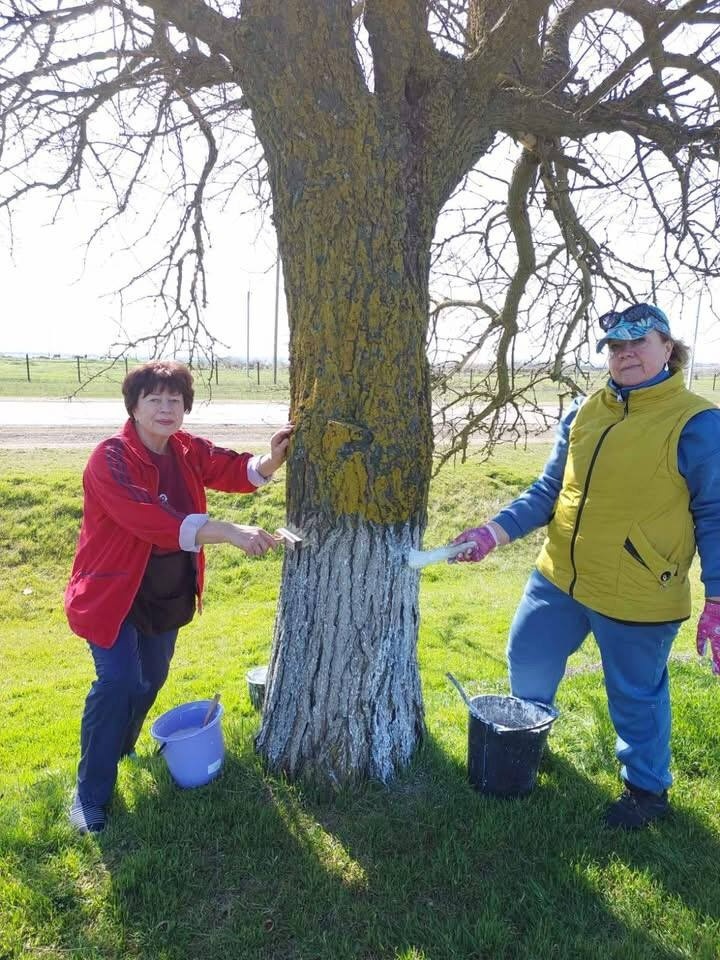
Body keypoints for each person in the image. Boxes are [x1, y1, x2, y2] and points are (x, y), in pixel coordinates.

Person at [451, 303, 720, 830]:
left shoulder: (697, 423)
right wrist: (493, 532)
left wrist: (718, 597)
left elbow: (715, 513)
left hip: (639, 590)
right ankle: (528, 736)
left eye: (638, 344)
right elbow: (549, 491)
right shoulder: (583, 412)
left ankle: (646, 791)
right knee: (527, 656)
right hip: (558, 577)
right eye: (616, 348)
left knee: (636, 699)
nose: (625, 355)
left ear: (668, 347)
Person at [65, 360, 293, 833]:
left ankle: (123, 745)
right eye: (155, 399)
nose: (166, 408)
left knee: (151, 680)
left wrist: (270, 461)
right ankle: (89, 796)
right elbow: (149, 519)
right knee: (119, 683)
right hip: (112, 594)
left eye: (175, 400)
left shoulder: (186, 449)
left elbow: (231, 468)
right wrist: (227, 531)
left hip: (164, 592)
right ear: (134, 406)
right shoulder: (110, 457)